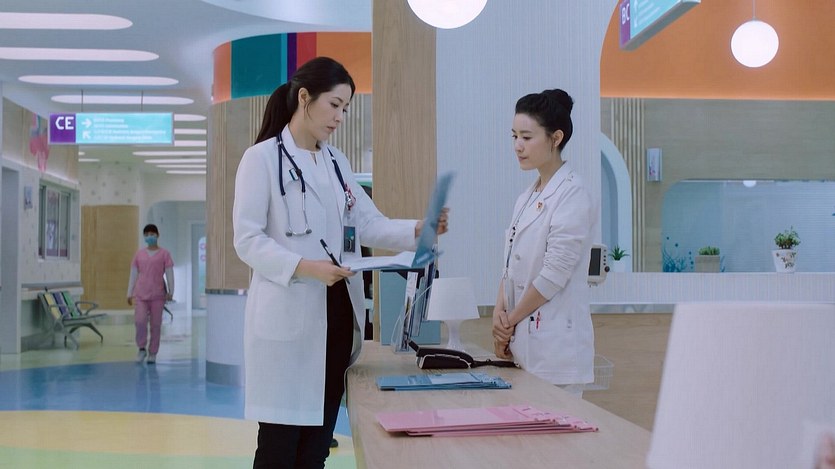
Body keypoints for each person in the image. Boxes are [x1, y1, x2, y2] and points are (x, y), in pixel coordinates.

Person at [232, 56, 448, 468]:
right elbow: (247, 240)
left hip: (336, 318)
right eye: (334, 105)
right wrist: (304, 267)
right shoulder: (260, 159)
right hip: (289, 315)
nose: (340, 117)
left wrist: (419, 228)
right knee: (278, 450)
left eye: (345, 108)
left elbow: (367, 223)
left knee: (316, 451)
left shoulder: (336, 163)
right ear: (304, 98)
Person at [491, 89, 597, 398]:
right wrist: (499, 315)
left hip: (556, 352)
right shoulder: (527, 196)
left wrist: (509, 321)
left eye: (527, 137)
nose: (518, 146)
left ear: (556, 138)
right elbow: (510, 266)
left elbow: (554, 273)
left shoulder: (573, 193)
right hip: (523, 345)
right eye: (514, 136)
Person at [127, 223, 174, 365]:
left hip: (158, 295)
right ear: (144, 237)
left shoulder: (164, 254)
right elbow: (133, 274)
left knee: (156, 324)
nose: (150, 237)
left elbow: (169, 273)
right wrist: (129, 293)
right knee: (140, 321)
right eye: (147, 235)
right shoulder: (139, 254)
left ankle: (153, 352)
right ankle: (141, 348)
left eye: (152, 234)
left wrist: (171, 291)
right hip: (141, 294)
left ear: (157, 235)